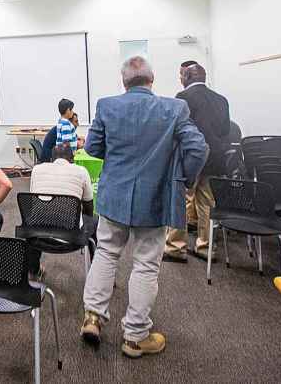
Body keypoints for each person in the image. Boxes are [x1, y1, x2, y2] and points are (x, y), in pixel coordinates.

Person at [80, 57, 207, 358]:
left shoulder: (107, 105)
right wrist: (185, 180)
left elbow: (93, 148)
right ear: (152, 80)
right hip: (155, 198)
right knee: (146, 264)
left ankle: (93, 317)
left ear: (124, 82)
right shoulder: (174, 109)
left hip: (114, 197)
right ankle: (136, 336)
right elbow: (198, 148)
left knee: (107, 253)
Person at [164, 63, 231, 262]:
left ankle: (176, 247)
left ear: (186, 78)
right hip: (215, 158)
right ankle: (205, 247)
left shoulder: (182, 99)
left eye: (181, 76)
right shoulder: (221, 100)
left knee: (181, 200)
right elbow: (225, 130)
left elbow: (175, 129)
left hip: (190, 157)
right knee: (207, 203)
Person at [27, 144, 97, 279]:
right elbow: (88, 208)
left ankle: (33, 271)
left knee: (36, 217)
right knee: (96, 221)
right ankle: (97, 274)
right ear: (72, 158)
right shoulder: (81, 171)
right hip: (72, 238)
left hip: (37, 236)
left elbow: (34, 201)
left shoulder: (36, 169)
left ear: (51, 158)